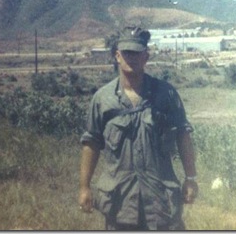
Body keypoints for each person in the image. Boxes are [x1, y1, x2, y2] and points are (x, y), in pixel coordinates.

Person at [78, 26, 198, 230]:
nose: (131, 58)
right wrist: (84, 187)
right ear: (117, 56)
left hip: (161, 201)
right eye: (126, 53)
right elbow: (91, 143)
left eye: (137, 53)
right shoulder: (103, 99)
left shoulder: (166, 95)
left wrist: (191, 178)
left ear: (146, 56)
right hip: (120, 203)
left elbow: (183, 136)